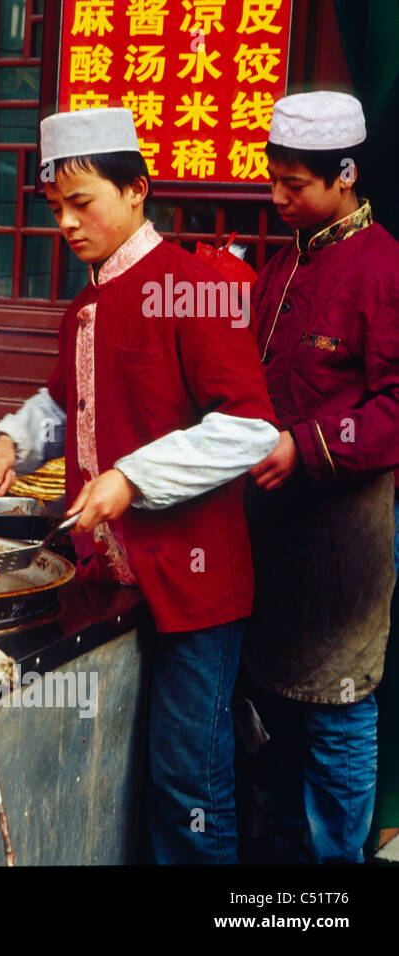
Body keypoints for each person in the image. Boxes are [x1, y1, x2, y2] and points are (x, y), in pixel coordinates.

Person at [0, 108, 279, 864]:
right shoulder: (86, 304)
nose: (69, 225)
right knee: (118, 774)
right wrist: (12, 437)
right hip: (110, 581)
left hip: (194, 590)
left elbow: (249, 428)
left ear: (137, 191)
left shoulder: (192, 287)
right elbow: (64, 401)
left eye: (86, 204)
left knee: (189, 785)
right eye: (57, 211)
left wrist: (131, 479)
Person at [242, 91, 399, 864]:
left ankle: (338, 870)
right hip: (272, 532)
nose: (277, 199)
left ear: (345, 175)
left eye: (293, 186)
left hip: (343, 536)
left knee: (338, 705)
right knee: (272, 700)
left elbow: (397, 407)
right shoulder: (281, 266)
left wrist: (306, 445)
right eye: (272, 180)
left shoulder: (385, 269)